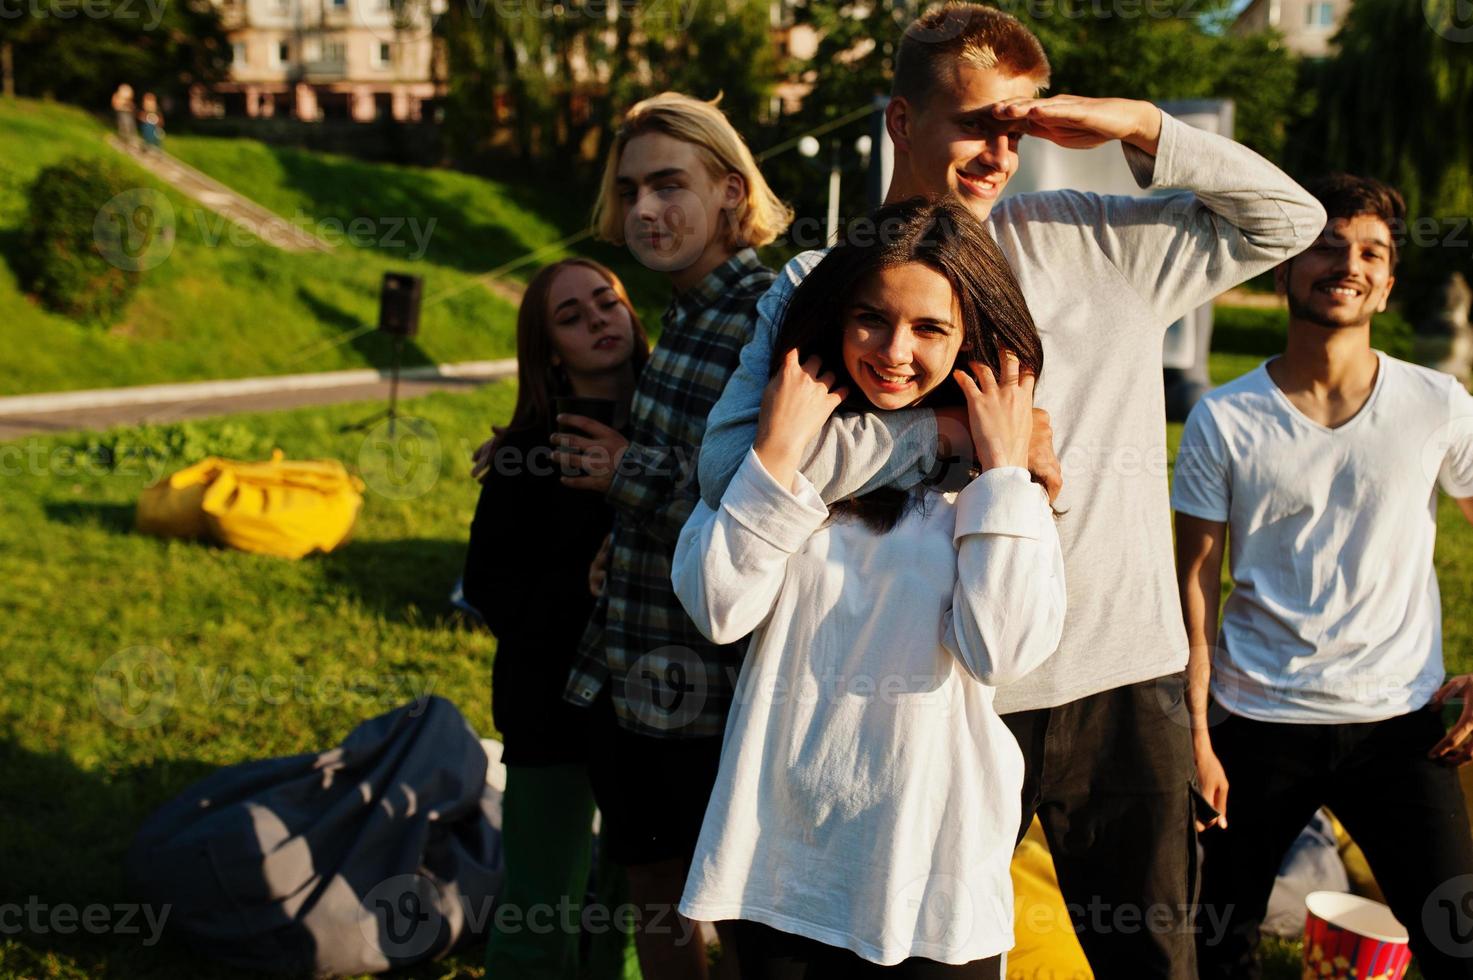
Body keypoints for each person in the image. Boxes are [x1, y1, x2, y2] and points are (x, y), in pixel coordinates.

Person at [694, 6, 1325, 974]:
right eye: (977, 120)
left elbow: (1293, 220)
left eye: (1019, 123)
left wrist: (1144, 127)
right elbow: (733, 472)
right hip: (940, 688)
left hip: (1121, 676)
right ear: (902, 123)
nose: (1001, 148)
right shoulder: (830, 284)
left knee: (1157, 956)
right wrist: (935, 436)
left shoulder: (1102, 239)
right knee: (931, 948)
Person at [671, 199, 1065, 978]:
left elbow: (1001, 650)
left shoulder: (994, 482)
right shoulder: (779, 451)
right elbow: (718, 610)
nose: (893, 352)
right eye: (870, 320)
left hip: (931, 871)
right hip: (779, 862)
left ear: (970, 340)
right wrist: (776, 457)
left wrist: (1003, 476)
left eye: (929, 330)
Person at [1173, 174, 1473, 980]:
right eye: (1326, 246)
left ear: (1387, 280)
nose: (1346, 264)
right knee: (1212, 951)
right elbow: (1193, 587)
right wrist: (1196, 734)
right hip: (1251, 722)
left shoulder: (1436, 402)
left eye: (1369, 251)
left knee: (1457, 943)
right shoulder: (1223, 417)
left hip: (1402, 723)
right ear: (1283, 269)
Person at [558, 92, 793, 980]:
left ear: (731, 191)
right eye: (628, 192)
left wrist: (629, 476)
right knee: (655, 893)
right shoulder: (685, 309)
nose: (643, 211)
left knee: (733, 911)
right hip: (632, 664)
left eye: (668, 185)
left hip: (712, 689)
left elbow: (773, 504)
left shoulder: (769, 316)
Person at [462, 258, 649, 980]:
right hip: (549, 705)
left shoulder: (683, 422)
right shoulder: (523, 454)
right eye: (571, 317)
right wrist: (581, 584)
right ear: (548, 351)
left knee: (634, 910)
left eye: (607, 302)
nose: (599, 320)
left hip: (656, 705)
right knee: (540, 910)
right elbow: (489, 588)